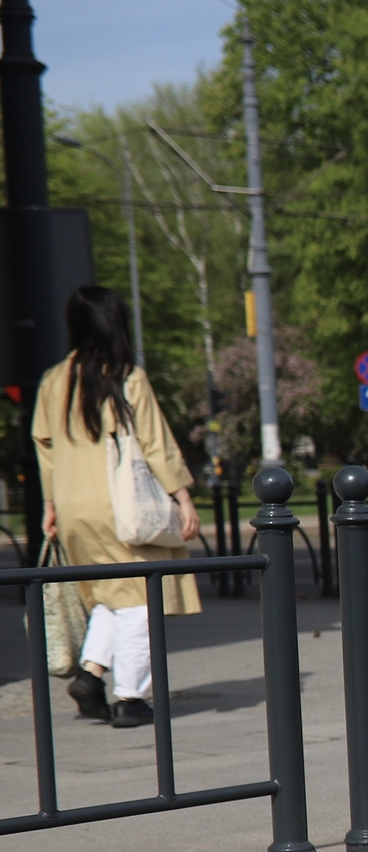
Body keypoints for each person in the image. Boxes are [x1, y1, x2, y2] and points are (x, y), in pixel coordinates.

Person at [32, 286, 201, 728]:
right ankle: (130, 697)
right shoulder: (126, 377)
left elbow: (44, 445)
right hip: (121, 505)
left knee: (108, 592)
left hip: (73, 507)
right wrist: (182, 496)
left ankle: (91, 674)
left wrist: (50, 503)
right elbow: (156, 444)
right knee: (141, 597)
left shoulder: (53, 379)